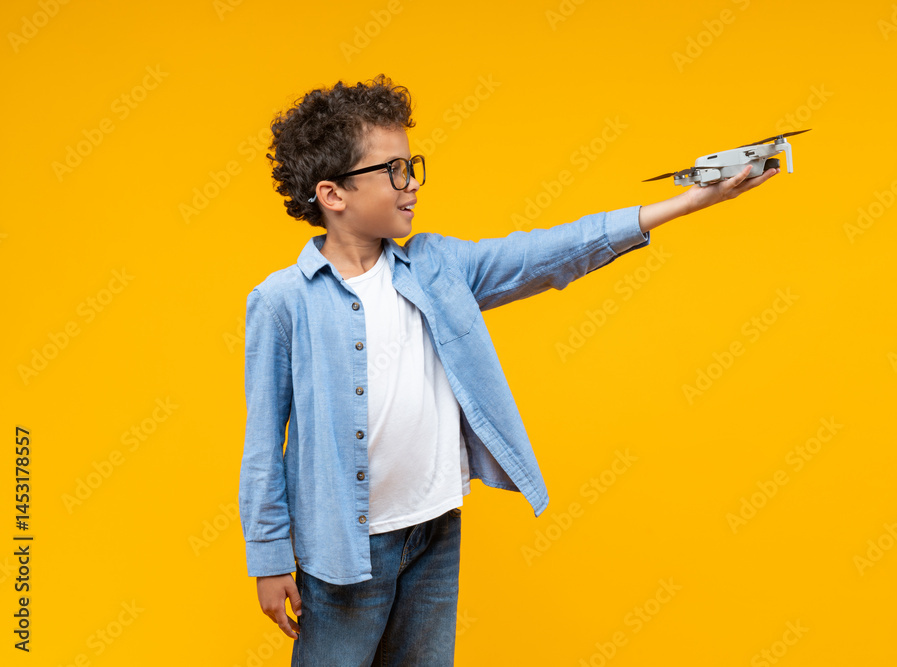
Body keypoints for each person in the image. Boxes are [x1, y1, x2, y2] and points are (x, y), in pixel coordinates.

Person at [238, 73, 778, 667]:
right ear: (333, 194)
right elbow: (264, 444)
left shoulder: (439, 265)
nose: (412, 183)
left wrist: (689, 200)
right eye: (393, 170)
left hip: (434, 529)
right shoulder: (282, 301)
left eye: (412, 164)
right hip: (343, 548)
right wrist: (267, 558)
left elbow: (550, 252)